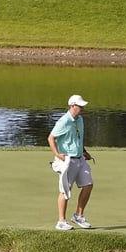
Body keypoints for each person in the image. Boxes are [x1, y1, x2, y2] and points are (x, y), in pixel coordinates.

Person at [49, 94, 95, 231]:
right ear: (72, 106)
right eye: (80, 106)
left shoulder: (80, 119)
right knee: (65, 190)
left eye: (82, 107)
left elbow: (77, 138)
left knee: (88, 185)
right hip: (68, 160)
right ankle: (61, 221)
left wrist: (84, 151)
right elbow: (51, 138)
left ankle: (78, 216)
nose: (82, 109)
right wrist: (57, 154)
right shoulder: (63, 121)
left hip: (80, 158)